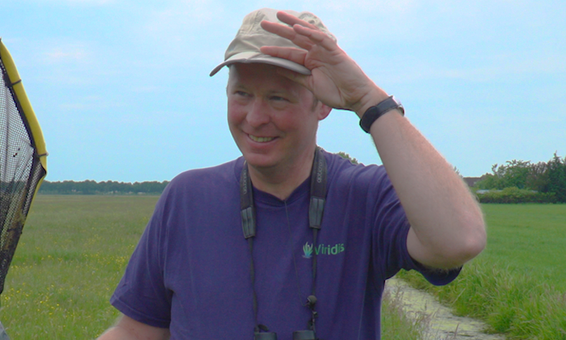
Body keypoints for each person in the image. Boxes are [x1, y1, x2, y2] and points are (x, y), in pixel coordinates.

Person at [98, 8, 486, 340]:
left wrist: (368, 100)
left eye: (277, 97)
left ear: (322, 106)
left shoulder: (363, 194)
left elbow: (459, 240)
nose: (255, 117)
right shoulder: (187, 198)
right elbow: (135, 332)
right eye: (242, 94)